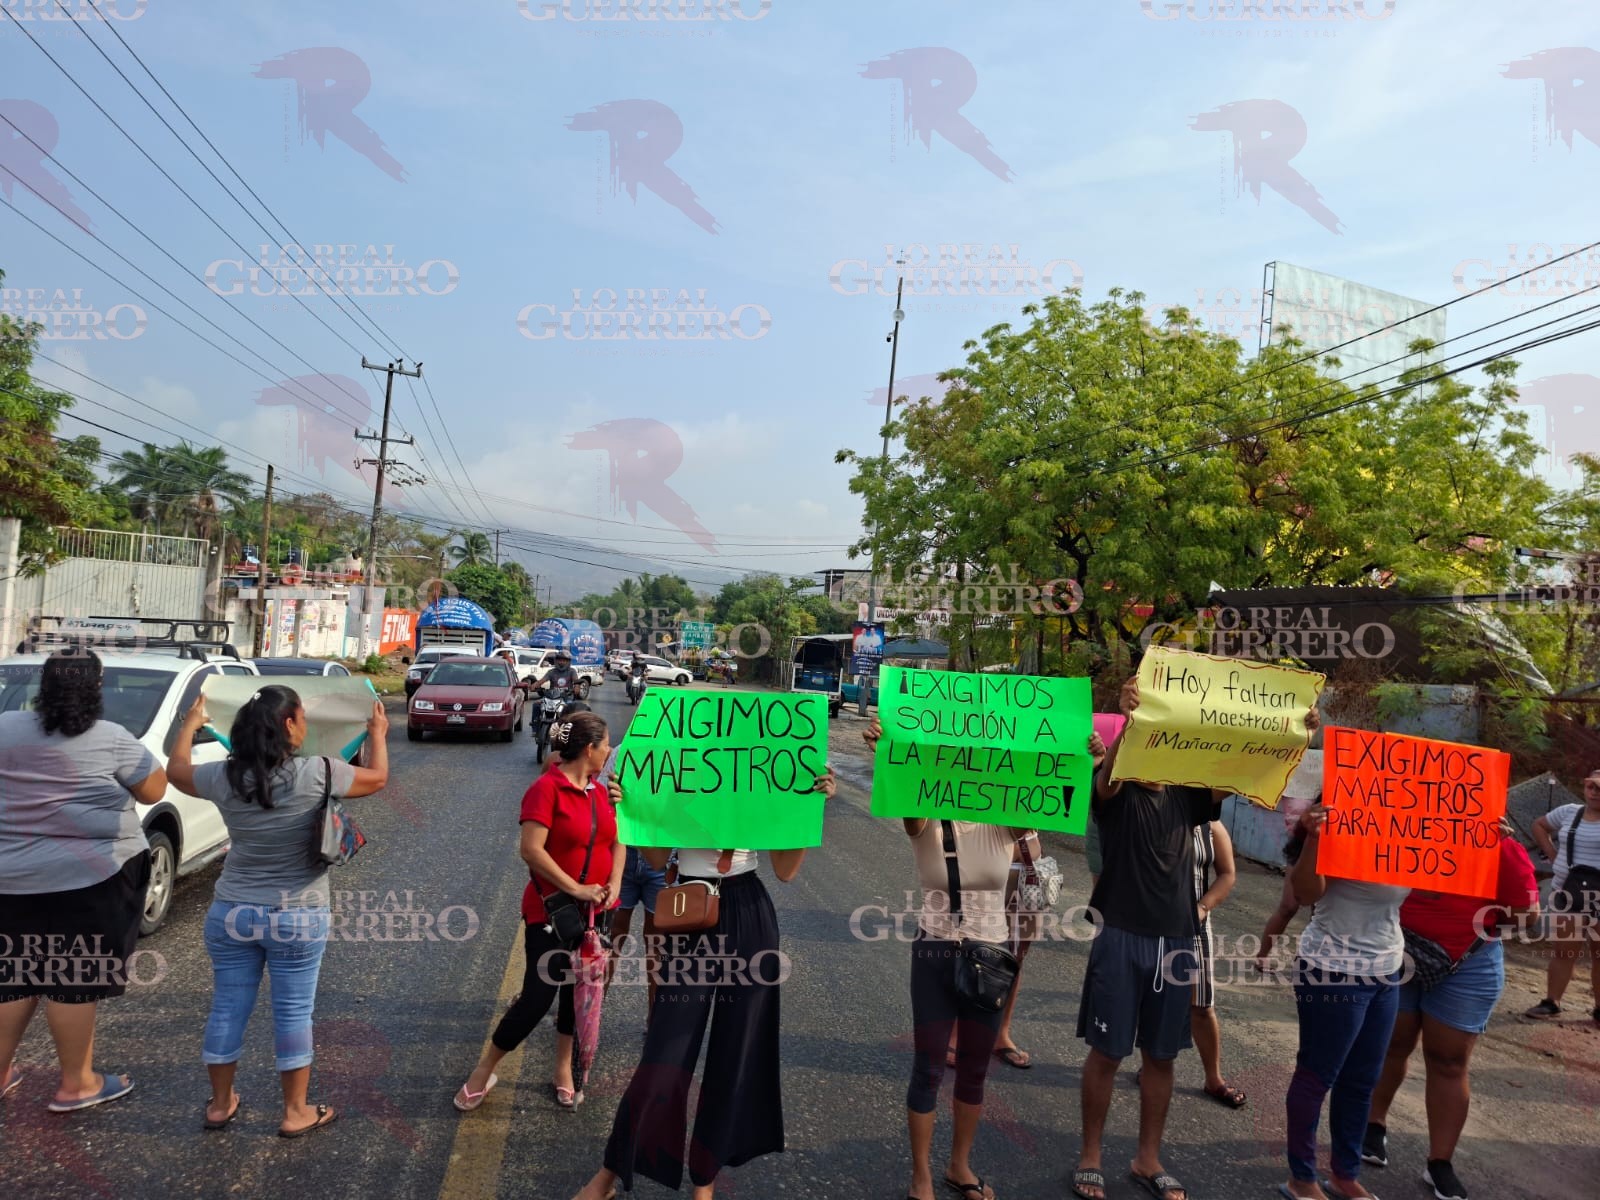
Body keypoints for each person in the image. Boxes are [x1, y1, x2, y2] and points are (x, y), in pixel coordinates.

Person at [1074, 676, 1320, 1200]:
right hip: (1120, 937)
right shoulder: (1113, 786)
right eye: (1150, 732)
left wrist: (1293, 735)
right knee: (1107, 1052)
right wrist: (1130, 717)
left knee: (1161, 1057)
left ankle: (1148, 1159)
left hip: (1177, 944)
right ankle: (1090, 1156)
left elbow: (1248, 771)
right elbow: (1109, 777)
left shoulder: (1189, 798)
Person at [569, 766, 838, 1200]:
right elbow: (658, 859)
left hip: (750, 913)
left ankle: (705, 1182)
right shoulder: (686, 773)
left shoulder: (766, 779)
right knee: (665, 1050)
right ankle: (609, 1174)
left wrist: (812, 807)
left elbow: (786, 870)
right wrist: (632, 807)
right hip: (690, 909)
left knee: (736, 1055)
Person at [867, 717, 1105, 1200]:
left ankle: (960, 1166)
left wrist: (1089, 760)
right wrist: (888, 753)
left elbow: (1049, 801)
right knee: (929, 1066)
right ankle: (921, 1178)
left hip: (992, 953)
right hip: (935, 948)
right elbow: (908, 802)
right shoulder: (927, 813)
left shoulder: (1005, 819)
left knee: (975, 1068)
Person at [167, 687, 389, 1135]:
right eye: (303, 716)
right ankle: (295, 1112)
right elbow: (378, 778)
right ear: (289, 725)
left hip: (231, 911)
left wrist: (191, 725)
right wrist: (378, 732)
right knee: (292, 1012)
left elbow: (176, 772)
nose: (306, 724)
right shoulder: (319, 772)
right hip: (297, 914)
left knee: (228, 1007)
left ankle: (220, 1104)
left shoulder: (221, 776)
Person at [0, 648, 165, 1113]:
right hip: (90, 877)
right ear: (96, 689)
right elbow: (154, 790)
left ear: (42, 688)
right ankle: (77, 1085)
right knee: (70, 976)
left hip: (9, 876)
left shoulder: (5, 725)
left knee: (14, 975)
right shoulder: (112, 738)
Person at [456, 710, 623, 1112]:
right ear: (589, 748)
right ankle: (484, 1070)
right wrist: (575, 887)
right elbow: (531, 850)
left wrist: (614, 885)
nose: (610, 752)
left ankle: (562, 1068)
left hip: (597, 914)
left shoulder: (603, 792)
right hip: (551, 912)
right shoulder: (546, 789)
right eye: (606, 745)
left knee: (576, 994)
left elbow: (621, 842)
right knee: (536, 996)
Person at [1364, 820, 1540, 1200]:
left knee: (1448, 1060)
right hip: (1397, 951)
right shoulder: (1397, 829)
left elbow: (1527, 917)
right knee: (1391, 1044)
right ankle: (1372, 1126)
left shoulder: (1502, 844)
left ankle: (1440, 1162)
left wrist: (1492, 859)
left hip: (1467, 962)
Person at [1279, 802, 1409, 1200]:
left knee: (1362, 1079)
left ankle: (1344, 1174)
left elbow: (1442, 886)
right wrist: (1315, 839)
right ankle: (1301, 1178)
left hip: (1388, 969)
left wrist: (1478, 842)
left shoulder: (1409, 833)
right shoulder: (1338, 825)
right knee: (1318, 1075)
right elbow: (1304, 894)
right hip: (1333, 968)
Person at [1523, 771, 1600, 1024]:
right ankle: (1552, 1002)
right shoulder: (1570, 812)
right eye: (1591, 785)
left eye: (1599, 787)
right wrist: (1554, 856)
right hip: (1568, 892)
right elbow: (1539, 825)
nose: (1594, 791)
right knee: (1564, 952)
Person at [1188, 819, 1245, 1109]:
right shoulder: (1149, 811)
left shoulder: (1212, 827)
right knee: (1154, 1000)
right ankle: (1153, 1063)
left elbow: (1227, 874)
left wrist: (1201, 908)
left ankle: (1214, 1078)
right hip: (1149, 922)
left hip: (1194, 925)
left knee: (1201, 1004)